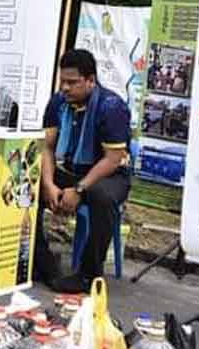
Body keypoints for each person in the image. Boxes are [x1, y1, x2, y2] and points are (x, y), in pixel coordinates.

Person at [33, 49, 132, 293]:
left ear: (90, 80)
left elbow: (112, 159)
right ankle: (42, 262)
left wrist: (78, 189)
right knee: (25, 186)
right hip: (68, 169)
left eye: (72, 82)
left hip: (108, 174)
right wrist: (48, 184)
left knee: (103, 197)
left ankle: (88, 274)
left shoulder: (111, 107)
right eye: (62, 81)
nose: (65, 88)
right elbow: (47, 147)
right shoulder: (58, 102)